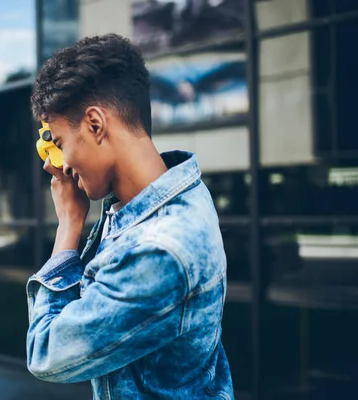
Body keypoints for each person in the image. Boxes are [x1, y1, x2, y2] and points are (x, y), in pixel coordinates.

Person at [26, 33, 234, 399]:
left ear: (95, 124)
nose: (55, 163)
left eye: (59, 144)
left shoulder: (158, 250)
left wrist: (68, 228)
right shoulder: (173, 193)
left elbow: (47, 353)